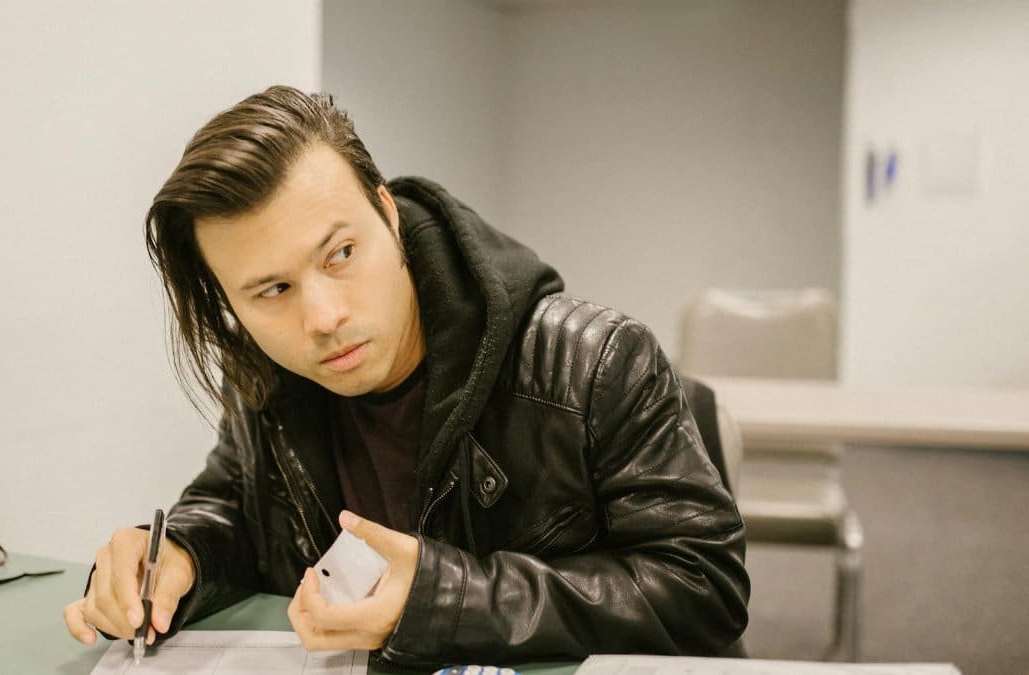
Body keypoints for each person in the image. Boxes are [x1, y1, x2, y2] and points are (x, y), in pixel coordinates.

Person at [62, 85, 749, 668]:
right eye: (271, 291)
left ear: (388, 215)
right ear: (231, 304)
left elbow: (704, 588)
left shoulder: (594, 363)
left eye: (341, 253)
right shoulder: (268, 378)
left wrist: (440, 599)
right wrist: (180, 553)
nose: (324, 317)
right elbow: (239, 506)